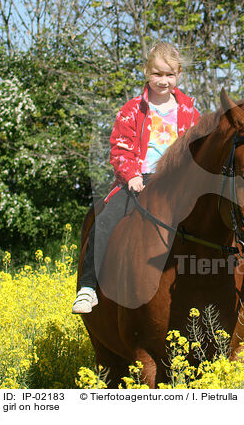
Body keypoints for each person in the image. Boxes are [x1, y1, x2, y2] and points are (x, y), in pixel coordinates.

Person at [72, 42, 201, 314]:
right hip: (138, 181)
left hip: (177, 185)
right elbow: (120, 147)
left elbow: (198, 149)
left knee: (218, 214)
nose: (163, 81)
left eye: (169, 75)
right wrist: (131, 175)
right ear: (146, 72)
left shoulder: (189, 111)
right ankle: (87, 287)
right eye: (157, 74)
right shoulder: (132, 110)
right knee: (105, 221)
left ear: (178, 74)